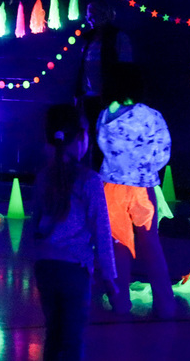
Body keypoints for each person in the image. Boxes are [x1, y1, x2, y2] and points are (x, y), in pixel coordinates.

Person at [31, 103, 117, 361]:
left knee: (54, 334)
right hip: (74, 269)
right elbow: (102, 232)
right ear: (81, 138)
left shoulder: (43, 176)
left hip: (45, 267)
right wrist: (110, 279)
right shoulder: (90, 181)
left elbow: (36, 224)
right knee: (72, 338)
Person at [95, 63, 175, 317]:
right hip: (142, 188)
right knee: (151, 244)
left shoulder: (105, 114)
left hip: (111, 189)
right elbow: (163, 152)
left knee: (118, 245)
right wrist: (145, 167)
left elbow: (101, 146)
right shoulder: (150, 115)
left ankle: (120, 302)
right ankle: (165, 304)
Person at [76, 1, 132, 168]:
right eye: (88, 14)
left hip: (110, 99)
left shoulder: (118, 37)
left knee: (109, 139)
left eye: (92, 14)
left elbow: (126, 69)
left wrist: (119, 97)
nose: (89, 18)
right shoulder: (88, 39)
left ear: (105, 14)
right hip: (90, 97)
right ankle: (96, 179)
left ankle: (109, 179)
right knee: (93, 138)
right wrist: (79, 93)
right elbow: (81, 69)